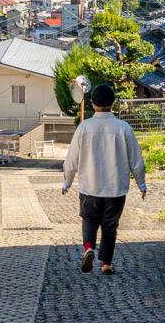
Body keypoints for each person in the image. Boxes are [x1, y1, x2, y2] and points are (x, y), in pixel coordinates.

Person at [61, 82, 146, 274]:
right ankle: (106, 263)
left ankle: (88, 248)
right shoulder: (123, 128)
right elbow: (136, 159)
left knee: (89, 219)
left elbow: (72, 159)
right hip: (116, 188)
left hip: (89, 186)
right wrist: (141, 183)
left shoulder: (84, 127)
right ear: (113, 103)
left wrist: (67, 181)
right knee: (110, 226)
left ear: (92, 103)